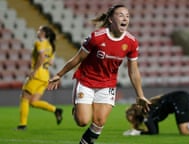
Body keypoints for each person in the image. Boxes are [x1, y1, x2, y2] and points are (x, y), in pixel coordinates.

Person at [47, 4, 150, 144]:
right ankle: (78, 110)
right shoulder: (97, 37)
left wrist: (140, 94)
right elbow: (78, 58)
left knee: (99, 122)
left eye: (127, 16)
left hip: (107, 85)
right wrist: (59, 74)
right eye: (120, 15)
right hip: (86, 81)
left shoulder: (131, 42)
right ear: (111, 19)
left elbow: (133, 70)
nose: (125, 18)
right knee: (83, 121)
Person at [16, 25, 63, 130]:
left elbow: (41, 57)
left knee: (24, 98)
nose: (37, 31)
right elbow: (51, 62)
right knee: (33, 102)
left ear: (43, 33)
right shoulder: (51, 46)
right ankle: (55, 110)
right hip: (45, 76)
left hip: (37, 75)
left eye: (39, 30)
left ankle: (22, 124)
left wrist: (34, 70)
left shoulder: (39, 43)